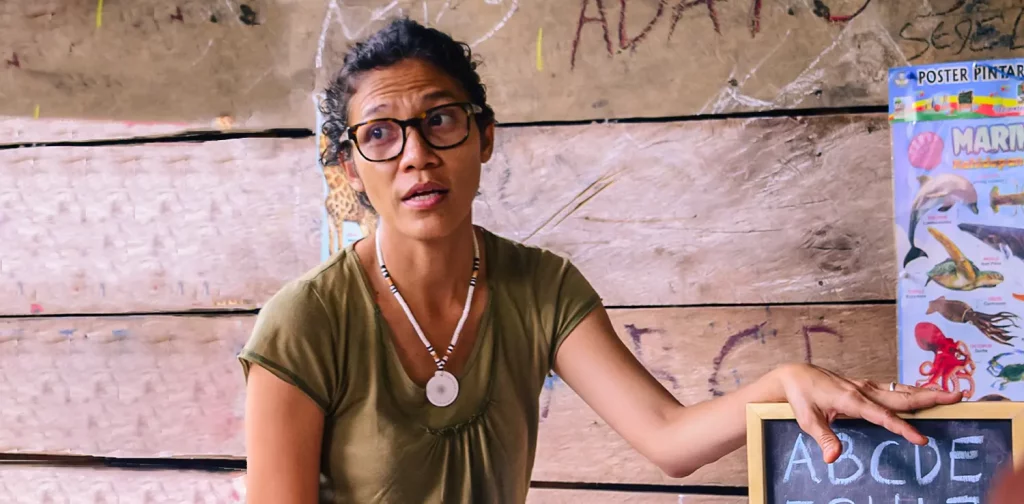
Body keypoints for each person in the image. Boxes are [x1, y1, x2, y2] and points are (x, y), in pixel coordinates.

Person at [237, 17, 963, 503]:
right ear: (348, 168)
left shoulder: (539, 287)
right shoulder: (304, 323)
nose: (418, 155)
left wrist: (787, 380)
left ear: (485, 137)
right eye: (381, 136)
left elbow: (669, 440)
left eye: (441, 120)